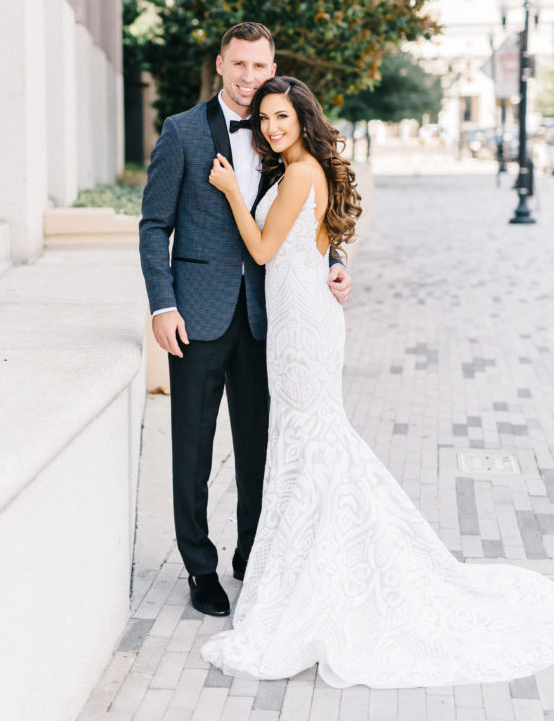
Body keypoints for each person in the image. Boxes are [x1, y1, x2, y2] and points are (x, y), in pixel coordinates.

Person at [201, 75, 554, 687]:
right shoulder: (296, 170)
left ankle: (331, 571)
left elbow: (260, 250)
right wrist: (333, 265)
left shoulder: (304, 171)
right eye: (264, 120)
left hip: (304, 327)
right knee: (305, 444)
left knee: (314, 441)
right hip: (293, 320)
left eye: (281, 116)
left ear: (302, 118)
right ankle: (312, 563)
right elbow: (325, 241)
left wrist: (232, 190)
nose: (272, 127)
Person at [139, 23, 352, 618]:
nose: (249, 77)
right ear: (220, 64)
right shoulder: (181, 132)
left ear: (272, 65)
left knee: (260, 445)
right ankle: (199, 566)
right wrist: (163, 304)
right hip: (196, 316)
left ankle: (253, 553)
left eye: (259, 66)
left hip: (270, 320)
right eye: (239, 65)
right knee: (193, 448)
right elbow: (154, 225)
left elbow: (303, 215)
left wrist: (333, 262)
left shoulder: (277, 134)